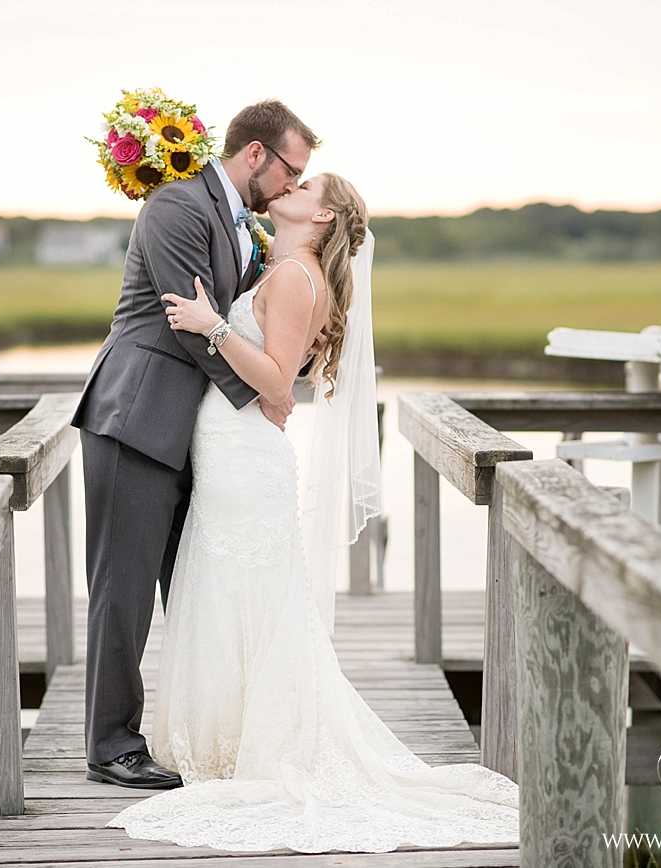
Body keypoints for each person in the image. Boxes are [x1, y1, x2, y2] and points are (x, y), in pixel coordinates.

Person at [108, 173, 520, 852]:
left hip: (244, 456)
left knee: (240, 590)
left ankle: (246, 743)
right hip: (229, 449)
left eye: (304, 184)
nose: (288, 185)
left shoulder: (298, 276)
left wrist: (213, 326)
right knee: (225, 591)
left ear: (322, 213)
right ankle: (226, 736)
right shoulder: (283, 264)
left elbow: (276, 380)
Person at [71, 99, 321, 789]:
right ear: (255, 155)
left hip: (197, 436)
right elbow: (190, 321)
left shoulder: (248, 229)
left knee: (196, 590)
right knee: (123, 589)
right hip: (138, 417)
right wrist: (265, 395)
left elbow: (240, 322)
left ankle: (202, 734)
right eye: (291, 171)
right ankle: (111, 745)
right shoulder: (177, 206)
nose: (294, 187)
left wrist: (285, 367)